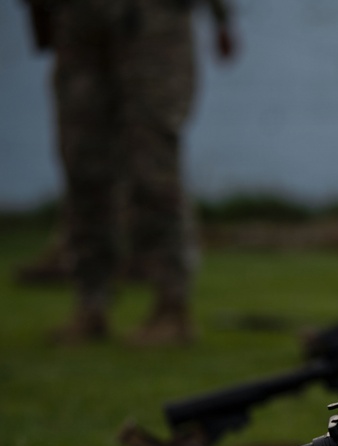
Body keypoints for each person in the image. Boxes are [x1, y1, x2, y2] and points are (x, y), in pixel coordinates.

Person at [23, 0, 234, 344]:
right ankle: (90, 303)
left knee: (152, 162)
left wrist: (222, 17)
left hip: (152, 17)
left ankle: (171, 305)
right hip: (78, 18)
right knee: (82, 162)